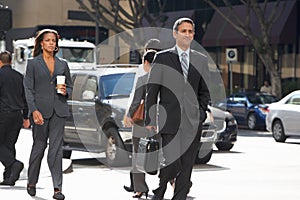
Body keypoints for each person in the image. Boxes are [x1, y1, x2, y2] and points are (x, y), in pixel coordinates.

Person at [145, 17, 210, 200]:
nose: (187, 34)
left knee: (187, 166)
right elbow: (152, 91)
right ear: (175, 34)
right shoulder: (163, 58)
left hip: (192, 122)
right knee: (172, 163)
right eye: (184, 31)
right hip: (169, 121)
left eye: (190, 31)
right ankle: (161, 188)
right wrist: (150, 120)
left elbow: (204, 92)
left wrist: (202, 113)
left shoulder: (201, 60)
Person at [23, 29, 73, 200]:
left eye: (54, 41)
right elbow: (28, 90)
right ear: (41, 43)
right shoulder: (32, 64)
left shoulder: (63, 64)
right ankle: (31, 182)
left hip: (59, 110)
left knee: (56, 150)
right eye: (48, 40)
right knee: (39, 147)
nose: (51, 43)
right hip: (40, 112)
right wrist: (34, 110)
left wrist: (66, 91)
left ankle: (57, 188)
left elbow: (70, 87)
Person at [123, 50, 157, 199]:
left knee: (138, 154)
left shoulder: (143, 79)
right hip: (162, 120)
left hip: (142, 122)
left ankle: (140, 188)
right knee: (165, 153)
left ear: (145, 62)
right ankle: (174, 182)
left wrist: (129, 115)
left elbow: (137, 101)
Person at [0, 51, 30, 186]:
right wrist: (25, 116)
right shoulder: (19, 76)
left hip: (3, 114)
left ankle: (14, 164)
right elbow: (25, 98)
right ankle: (9, 177)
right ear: (11, 62)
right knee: (9, 144)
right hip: (17, 115)